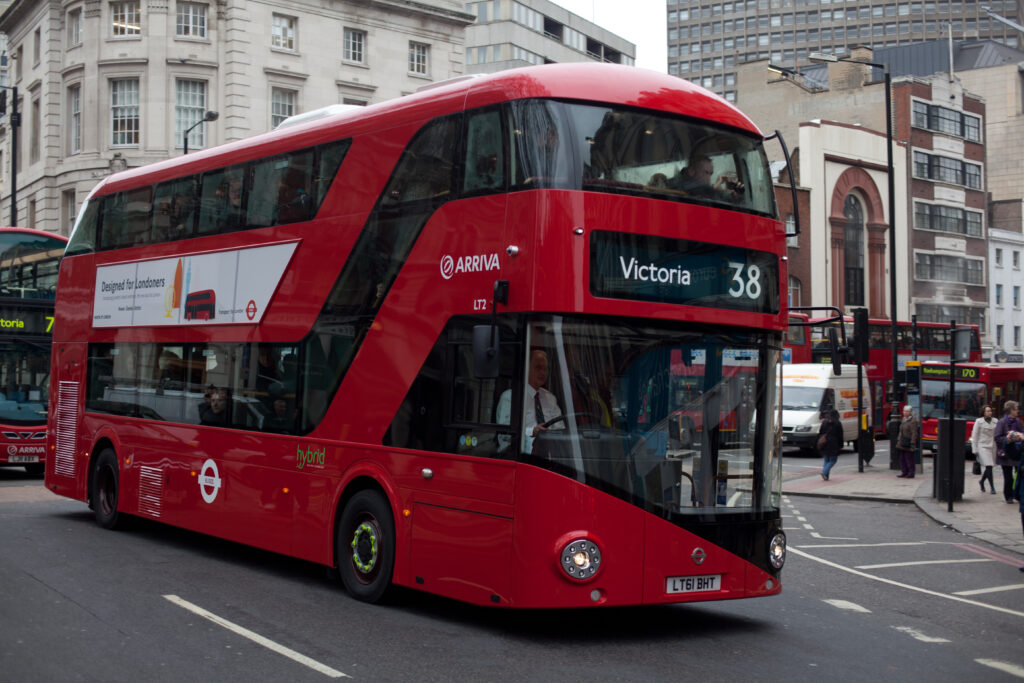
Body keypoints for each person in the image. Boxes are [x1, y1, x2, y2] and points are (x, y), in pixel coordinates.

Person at [495, 349, 562, 455]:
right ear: (526, 368)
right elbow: (505, 434)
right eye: (538, 368)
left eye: (545, 369)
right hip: (519, 458)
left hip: (549, 460)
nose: (543, 372)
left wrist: (552, 435)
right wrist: (532, 431)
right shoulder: (510, 397)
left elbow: (561, 430)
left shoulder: (550, 398)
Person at [669, 153, 744, 200]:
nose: (709, 178)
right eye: (706, 173)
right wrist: (714, 189)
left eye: (711, 174)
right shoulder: (678, 186)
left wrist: (735, 194)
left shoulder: (703, 190)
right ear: (691, 171)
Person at [993, 399, 1023, 504]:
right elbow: (997, 437)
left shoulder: (1018, 421)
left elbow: (1022, 433)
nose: (1017, 411)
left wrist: (1019, 437)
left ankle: (1017, 494)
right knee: (1008, 477)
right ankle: (1008, 496)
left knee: (1019, 474)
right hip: (1006, 453)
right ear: (1010, 410)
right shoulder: (1002, 422)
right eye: (1016, 409)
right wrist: (1008, 438)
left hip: (1017, 451)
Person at [970, 404, 997, 494]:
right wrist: (974, 449)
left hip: (992, 446)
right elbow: (975, 435)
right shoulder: (979, 421)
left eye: (990, 411)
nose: (990, 412)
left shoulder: (995, 421)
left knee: (990, 466)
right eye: (987, 411)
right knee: (988, 466)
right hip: (982, 446)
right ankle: (992, 487)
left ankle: (981, 481)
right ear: (983, 412)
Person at [817, 408, 843, 480]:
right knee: (833, 460)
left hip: (825, 442)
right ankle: (824, 472)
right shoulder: (837, 423)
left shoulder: (824, 422)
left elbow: (820, 432)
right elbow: (840, 435)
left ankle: (826, 477)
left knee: (826, 459)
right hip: (834, 443)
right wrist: (841, 445)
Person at [895, 405, 919, 478]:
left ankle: (911, 473)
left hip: (908, 442)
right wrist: (899, 439)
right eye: (904, 411)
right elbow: (901, 431)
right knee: (902, 458)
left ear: (910, 412)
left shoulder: (913, 421)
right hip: (902, 442)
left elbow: (914, 433)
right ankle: (904, 472)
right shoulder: (904, 419)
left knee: (909, 458)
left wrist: (912, 443)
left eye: (907, 411)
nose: (905, 413)